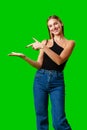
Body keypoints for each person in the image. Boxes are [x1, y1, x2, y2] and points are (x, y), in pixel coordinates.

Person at [8, 15, 75, 130]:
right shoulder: (45, 42)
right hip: (40, 79)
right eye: (50, 26)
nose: (53, 27)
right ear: (48, 29)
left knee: (59, 121)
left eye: (55, 24)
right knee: (41, 118)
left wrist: (43, 47)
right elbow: (39, 64)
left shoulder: (70, 43)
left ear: (61, 24)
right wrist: (24, 57)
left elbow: (59, 60)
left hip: (57, 82)